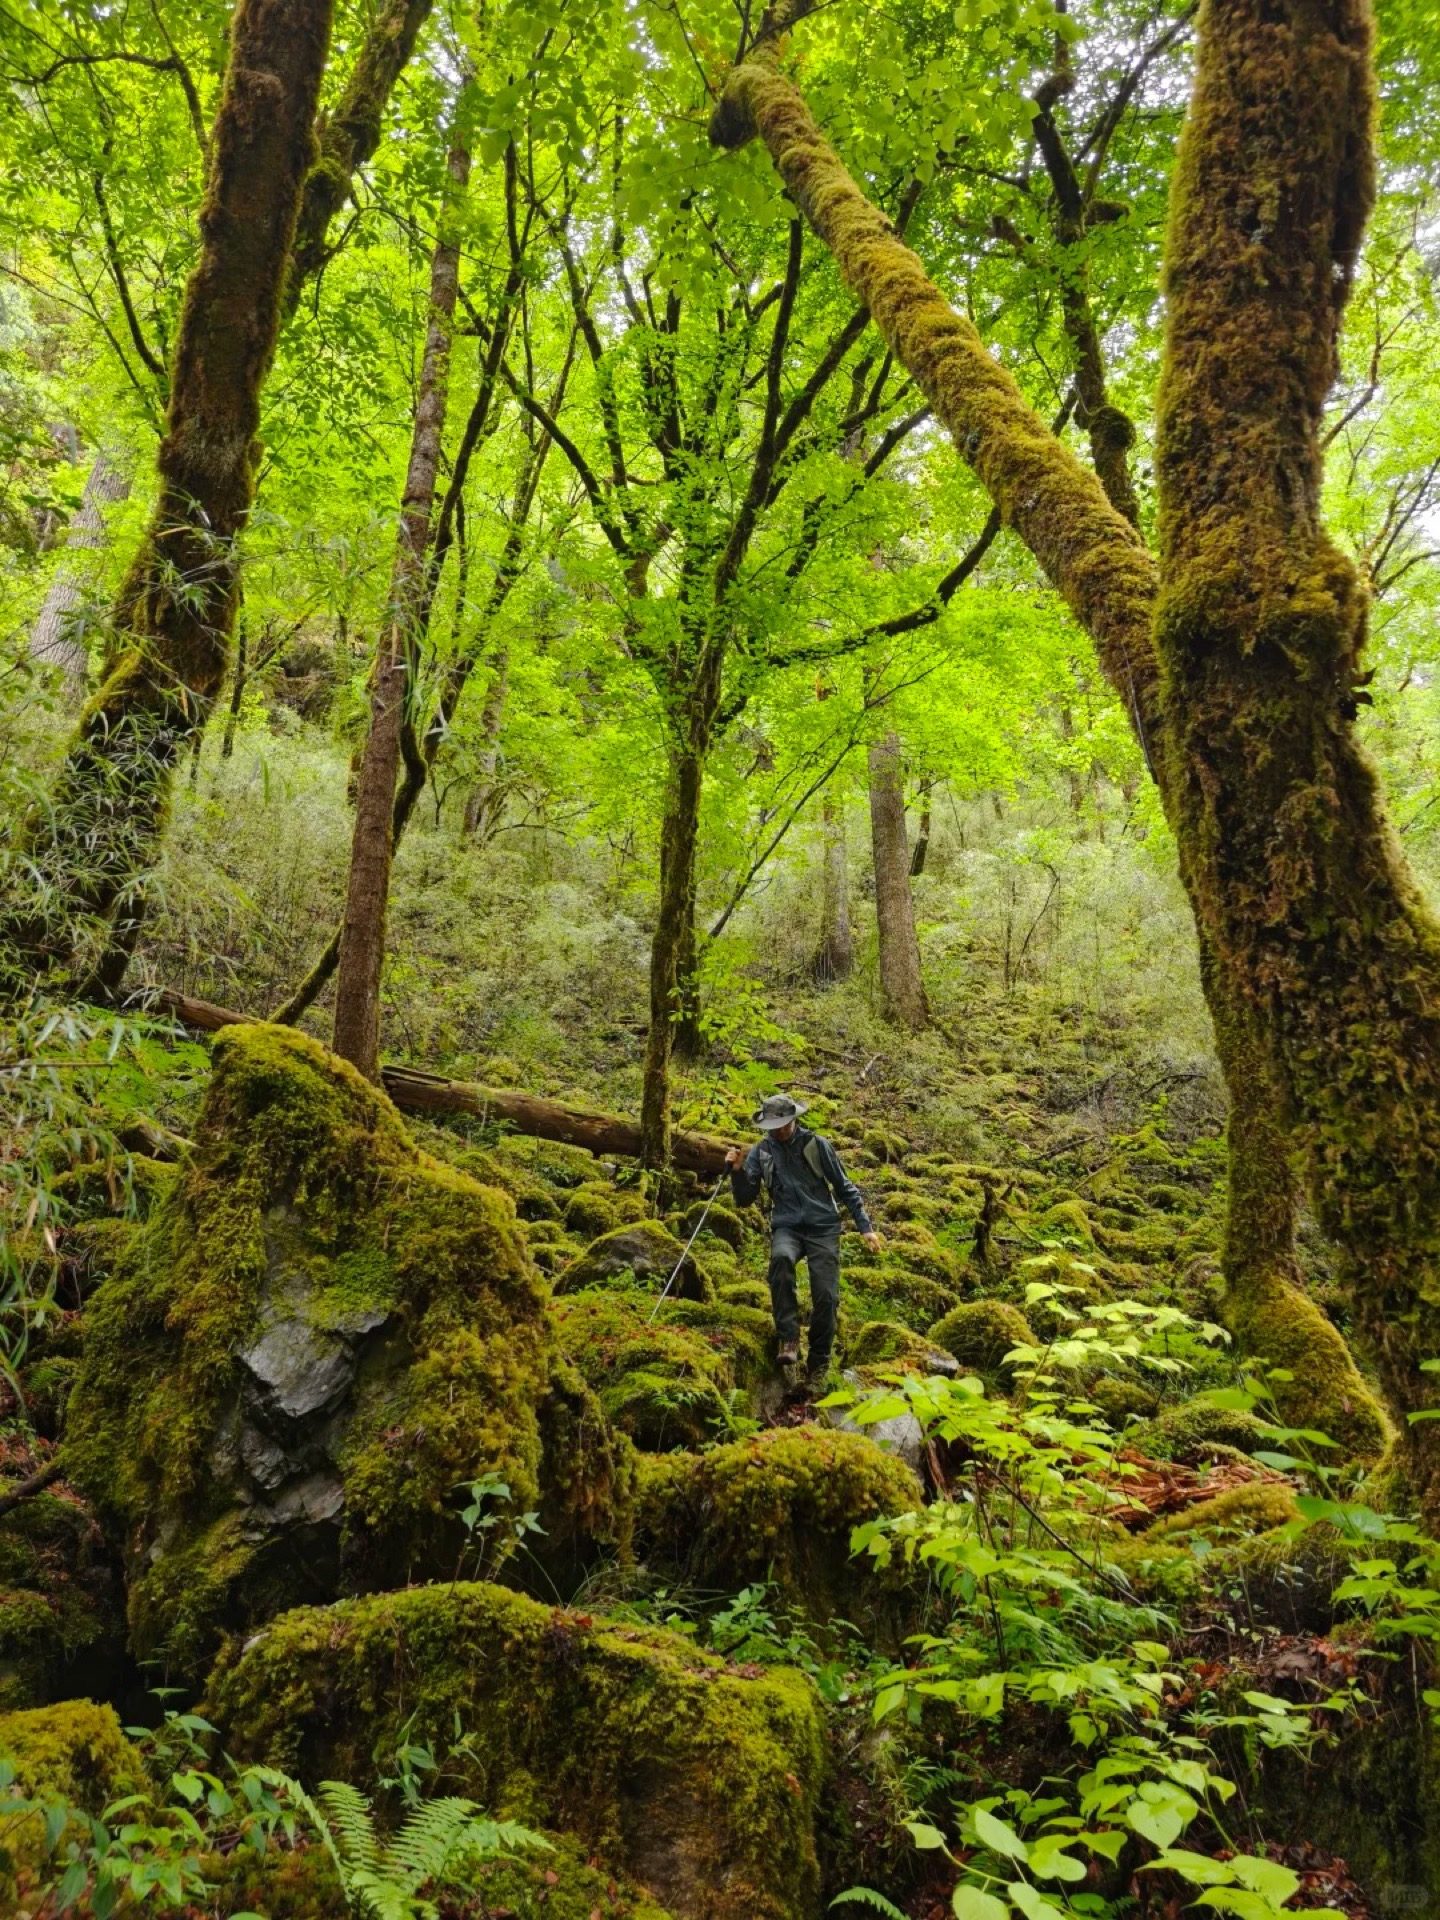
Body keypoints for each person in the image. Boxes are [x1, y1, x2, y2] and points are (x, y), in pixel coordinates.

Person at [725, 1093, 881, 1387]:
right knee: (780, 1261)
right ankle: (789, 1340)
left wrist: (865, 1227)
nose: (778, 1130)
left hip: (823, 1227)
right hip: (787, 1226)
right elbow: (745, 1199)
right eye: (773, 1125)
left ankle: (819, 1364)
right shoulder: (761, 1152)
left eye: (783, 1124)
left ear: (794, 1120)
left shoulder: (816, 1145)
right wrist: (736, 1172)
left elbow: (845, 1187)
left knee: (826, 1296)